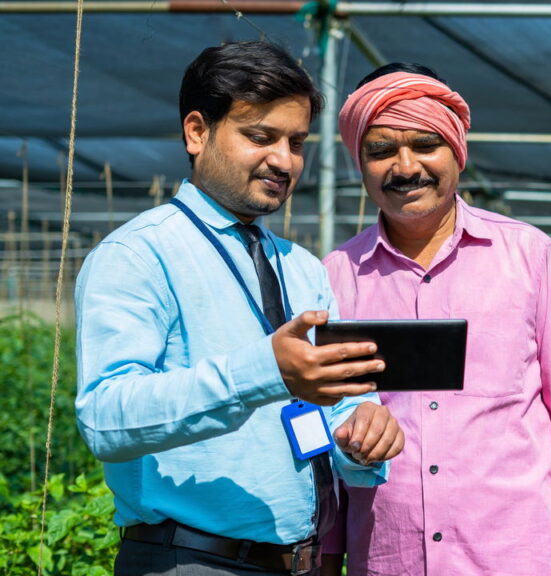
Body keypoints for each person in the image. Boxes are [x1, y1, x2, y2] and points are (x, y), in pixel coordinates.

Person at [75, 41, 404, 576]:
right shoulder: (139, 255)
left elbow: (334, 410)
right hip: (189, 559)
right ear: (197, 132)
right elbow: (106, 418)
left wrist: (360, 435)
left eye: (296, 142)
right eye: (260, 136)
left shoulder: (302, 269)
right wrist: (263, 372)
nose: (284, 160)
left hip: (301, 561)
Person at [320, 63, 551, 576]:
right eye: (381, 150)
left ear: (457, 150)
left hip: (512, 555)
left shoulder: (530, 256)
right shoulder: (335, 277)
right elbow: (321, 427)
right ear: (360, 163)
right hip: (389, 559)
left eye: (424, 144)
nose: (405, 165)